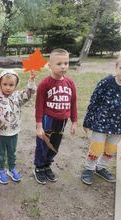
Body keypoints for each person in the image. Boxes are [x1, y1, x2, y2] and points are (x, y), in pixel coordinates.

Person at [81, 52, 121, 185]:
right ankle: (89, 169)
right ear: (116, 67)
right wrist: (87, 121)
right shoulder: (106, 83)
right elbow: (94, 102)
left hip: (118, 126)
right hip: (100, 123)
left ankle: (101, 167)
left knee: (110, 149)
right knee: (96, 148)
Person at [33, 48, 77, 185]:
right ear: (50, 65)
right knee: (43, 144)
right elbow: (39, 106)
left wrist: (74, 121)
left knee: (54, 145)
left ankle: (47, 165)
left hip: (62, 121)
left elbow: (73, 103)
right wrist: (39, 126)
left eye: (66, 63)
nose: (63, 66)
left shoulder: (70, 83)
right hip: (48, 120)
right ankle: (39, 168)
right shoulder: (44, 84)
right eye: (59, 64)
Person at [0, 69, 36, 184]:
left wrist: (31, 80)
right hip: (1, 134)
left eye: (11, 85)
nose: (8, 87)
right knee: (1, 154)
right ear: (0, 84)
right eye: (5, 84)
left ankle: (11, 169)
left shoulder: (18, 97)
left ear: (16, 85)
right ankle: (1, 170)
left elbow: (29, 94)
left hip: (14, 132)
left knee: (12, 152)